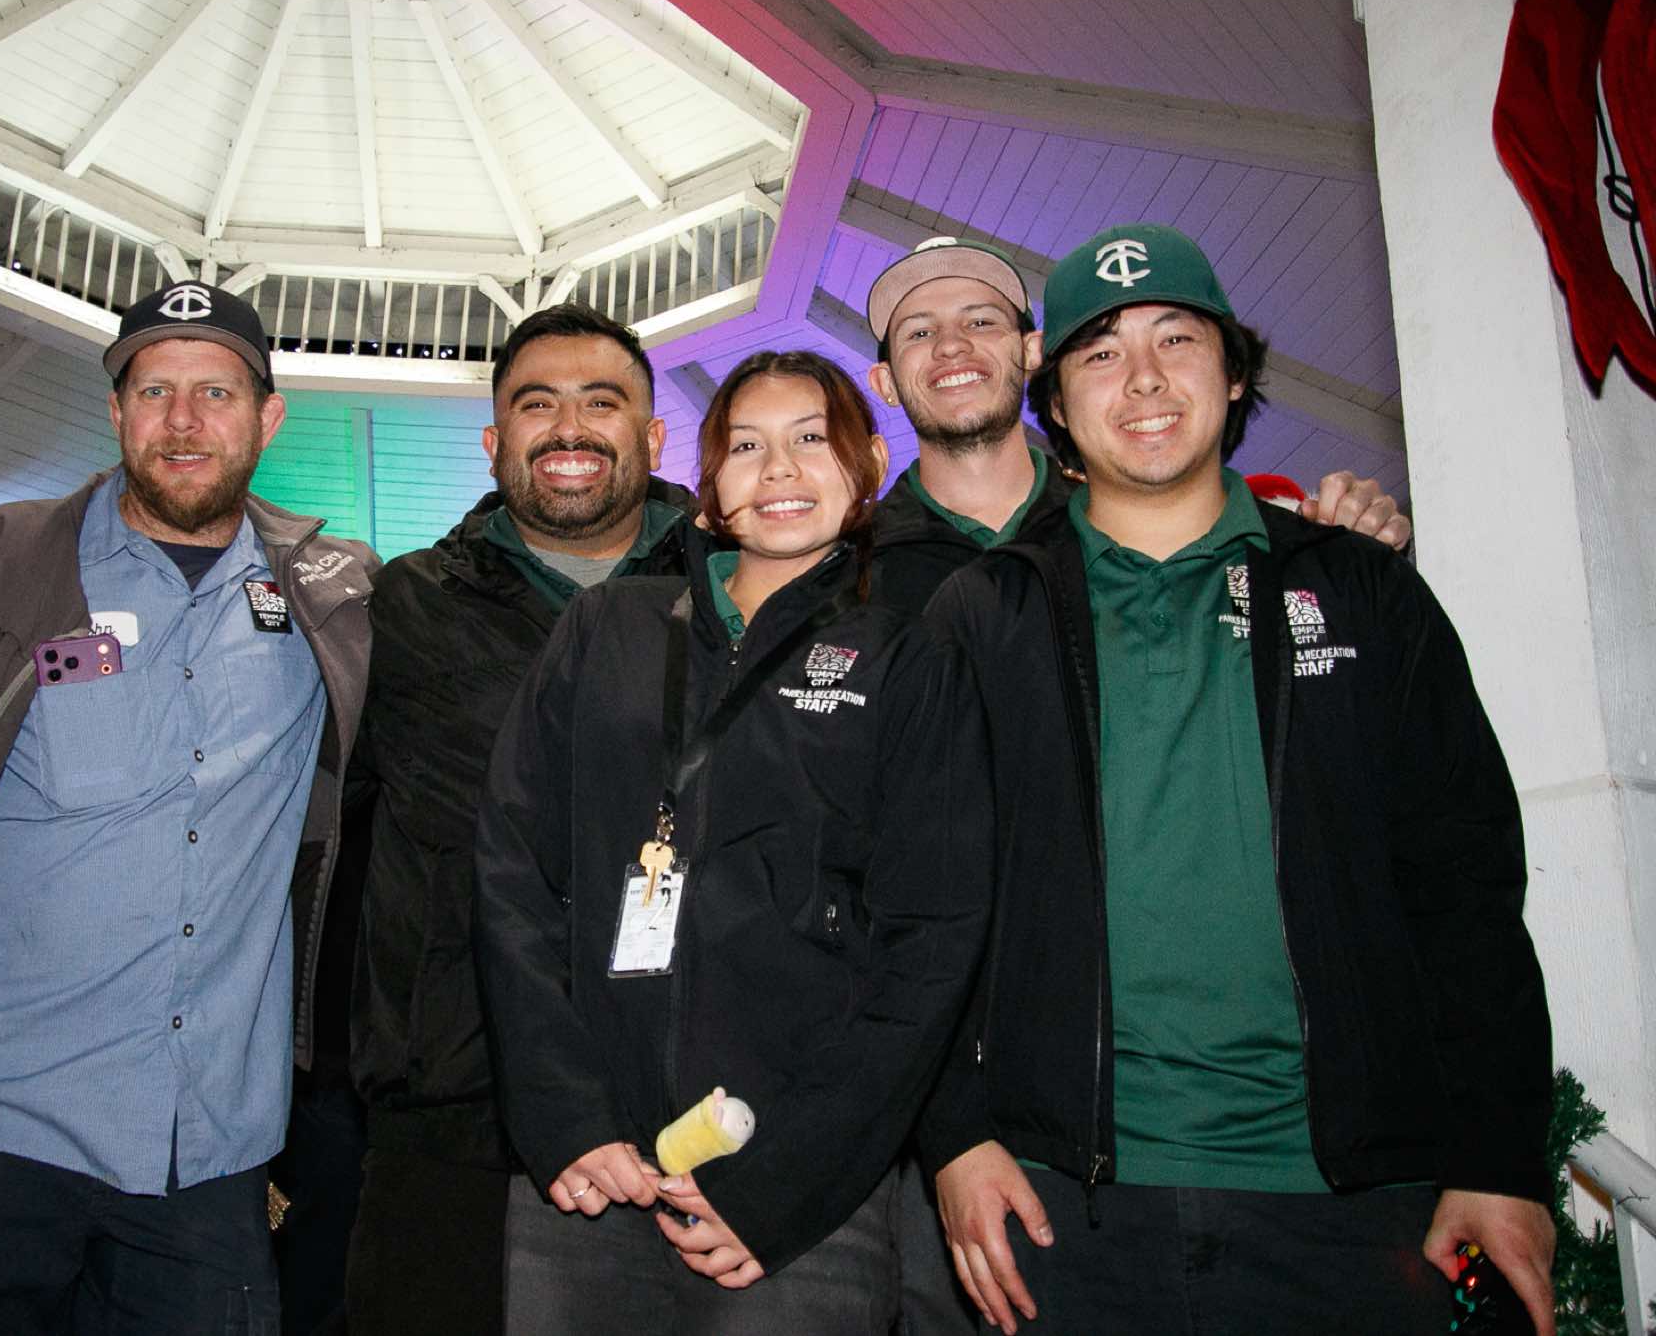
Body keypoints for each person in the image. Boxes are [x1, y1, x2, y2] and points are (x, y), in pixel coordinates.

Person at [919, 224, 1555, 1334]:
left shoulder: (1361, 592)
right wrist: (955, 1134)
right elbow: (922, 898)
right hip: (1057, 1204)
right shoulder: (984, 613)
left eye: (1177, 338)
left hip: (1354, 1205)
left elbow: (1465, 888)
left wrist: (1498, 1159)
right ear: (1055, 404)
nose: (1144, 378)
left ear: (1234, 373)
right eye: (1100, 353)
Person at [0, 281, 377, 1335]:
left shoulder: (333, 600)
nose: (182, 421)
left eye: (216, 393)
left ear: (267, 417)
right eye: (154, 391)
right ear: (115, 410)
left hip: (208, 1156)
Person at [474, 350, 994, 1333]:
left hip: (795, 1201)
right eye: (746, 446)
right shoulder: (606, 627)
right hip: (588, 1179)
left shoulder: (908, 661)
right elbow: (512, 872)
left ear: (866, 465)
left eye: (811, 439)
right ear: (708, 486)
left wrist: (787, 1181)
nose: (779, 469)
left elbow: (930, 944)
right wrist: (563, 1118)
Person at [345, 304, 694, 1333]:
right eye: (537, 406)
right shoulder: (405, 605)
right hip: (451, 1101)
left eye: (602, 402)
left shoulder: (735, 590)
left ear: (652, 435)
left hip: (680, 1099)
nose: (569, 427)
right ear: (495, 441)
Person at [861, 235, 1412, 618]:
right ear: (884, 381)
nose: (952, 346)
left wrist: (1341, 553)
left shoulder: (1130, 525)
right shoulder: (847, 564)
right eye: (919, 333)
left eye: (981, 321)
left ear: (1032, 352)